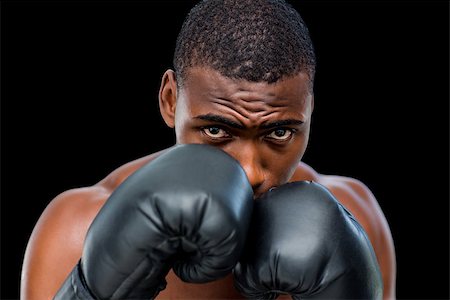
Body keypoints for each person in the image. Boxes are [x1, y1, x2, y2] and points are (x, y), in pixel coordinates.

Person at [20, 0, 396, 299]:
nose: (250, 171)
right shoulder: (76, 230)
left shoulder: (354, 219)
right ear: (170, 101)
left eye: (279, 133)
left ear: (309, 110)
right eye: (216, 130)